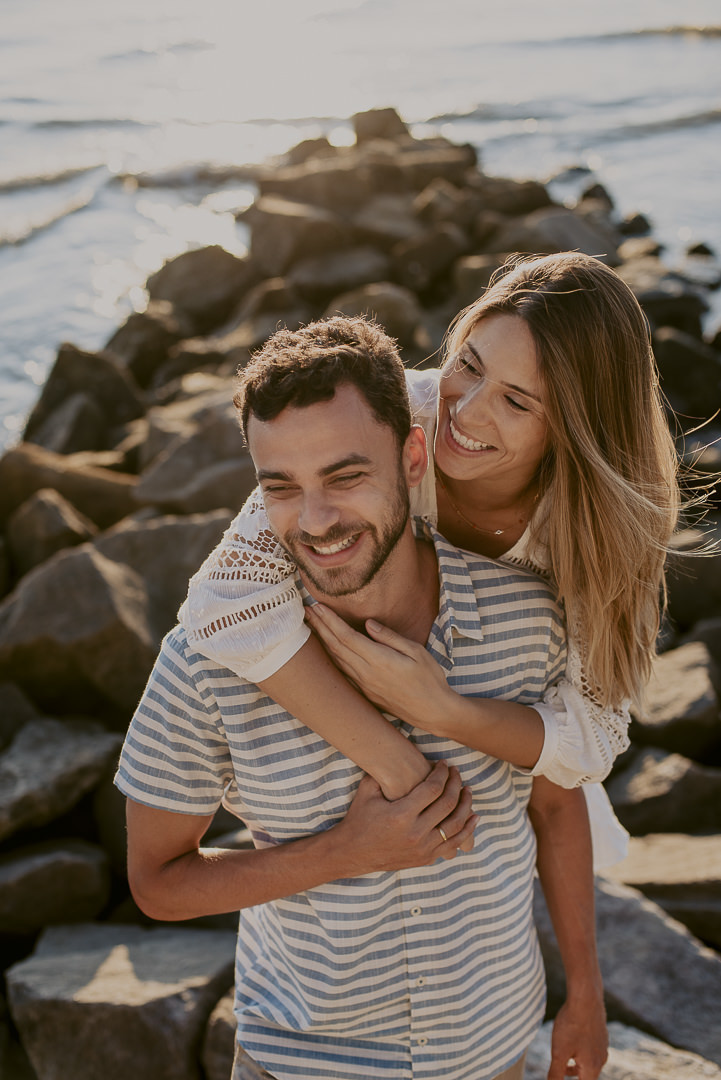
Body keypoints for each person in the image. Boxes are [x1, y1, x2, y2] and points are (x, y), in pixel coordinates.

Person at [116, 316, 608, 1080]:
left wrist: (585, 991)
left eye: (345, 477)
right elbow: (156, 882)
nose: (314, 522)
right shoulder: (204, 663)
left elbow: (556, 803)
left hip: (494, 1055)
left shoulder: (530, 619)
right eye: (280, 486)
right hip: (300, 1064)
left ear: (414, 455)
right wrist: (342, 853)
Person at [178, 252, 680, 867]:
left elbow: (593, 736)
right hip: (394, 789)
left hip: (512, 763)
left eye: (518, 403)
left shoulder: (605, 524)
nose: (464, 413)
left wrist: (440, 709)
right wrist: (401, 764)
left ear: (578, 427)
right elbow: (223, 602)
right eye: (468, 364)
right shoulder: (393, 423)